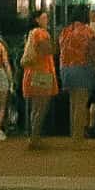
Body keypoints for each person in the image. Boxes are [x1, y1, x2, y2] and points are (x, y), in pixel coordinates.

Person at [19, 10, 58, 150]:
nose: (47, 20)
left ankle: (34, 136)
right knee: (41, 106)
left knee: (36, 107)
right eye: (44, 17)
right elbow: (47, 50)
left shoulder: (31, 33)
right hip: (42, 72)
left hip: (33, 71)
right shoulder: (41, 33)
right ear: (37, 19)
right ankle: (35, 137)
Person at [57, 8, 95, 142]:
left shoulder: (65, 31)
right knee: (81, 104)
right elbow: (92, 52)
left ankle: (73, 133)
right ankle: (78, 136)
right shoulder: (87, 31)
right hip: (81, 68)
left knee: (73, 103)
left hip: (65, 69)